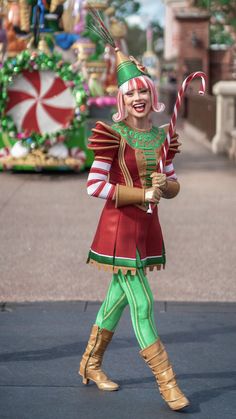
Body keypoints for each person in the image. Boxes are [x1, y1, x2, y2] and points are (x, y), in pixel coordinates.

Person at [78, 44, 189, 412]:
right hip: (118, 230)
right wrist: (141, 191)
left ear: (152, 94)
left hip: (145, 227)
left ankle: (90, 364)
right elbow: (94, 186)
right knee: (142, 303)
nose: (138, 97)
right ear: (122, 98)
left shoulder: (162, 137)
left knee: (116, 300)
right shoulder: (112, 133)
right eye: (131, 93)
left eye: (143, 90)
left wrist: (164, 185)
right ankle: (168, 384)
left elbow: (172, 185)